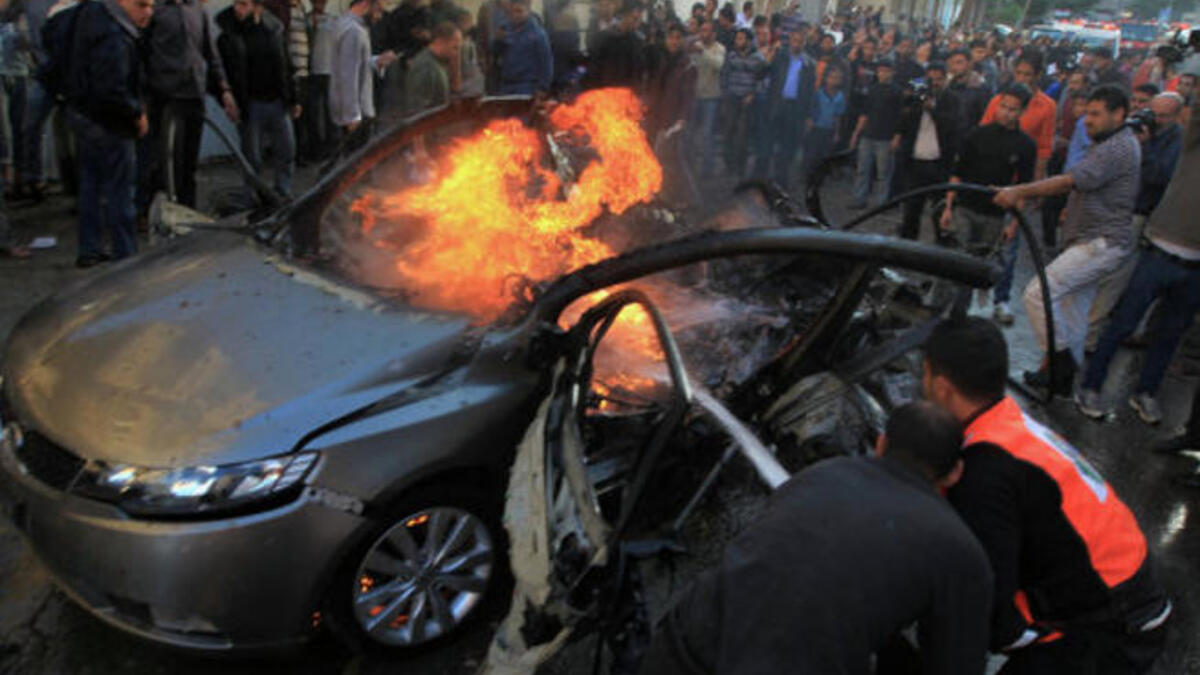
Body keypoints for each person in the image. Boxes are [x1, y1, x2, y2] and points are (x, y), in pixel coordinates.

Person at [639, 401, 993, 675]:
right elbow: (955, 664)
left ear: (882, 444)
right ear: (954, 472)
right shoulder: (959, 548)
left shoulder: (822, 474)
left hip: (684, 647)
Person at [924, 318, 1171, 674]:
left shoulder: (982, 471)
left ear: (943, 386)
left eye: (925, 374)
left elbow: (988, 597)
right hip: (1130, 590)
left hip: (1112, 623)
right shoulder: (1008, 424)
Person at [994, 85, 1141, 397]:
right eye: (1087, 113)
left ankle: (1061, 365)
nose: (1087, 120)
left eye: (1096, 114)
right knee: (1074, 312)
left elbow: (1071, 181)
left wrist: (1020, 191)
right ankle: (1059, 378)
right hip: (1089, 237)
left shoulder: (1117, 147)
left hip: (1100, 242)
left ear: (1119, 114)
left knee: (1037, 294)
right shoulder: (1109, 143)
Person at [1076, 92, 1195, 425]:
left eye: (1162, 116)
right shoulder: (1191, 146)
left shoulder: (1177, 142)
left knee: (1170, 334)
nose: (1153, 120)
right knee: (1123, 323)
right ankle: (1091, 385)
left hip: (1194, 266)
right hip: (1159, 252)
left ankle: (1146, 392)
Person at [67, 0, 154, 267]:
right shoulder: (114, 34)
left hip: (84, 116)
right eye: (143, 5)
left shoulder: (90, 14)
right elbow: (112, 88)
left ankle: (89, 248)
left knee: (91, 186)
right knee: (120, 192)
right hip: (110, 124)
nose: (148, 13)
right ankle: (126, 257)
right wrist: (136, 114)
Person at [940, 83, 1036, 324]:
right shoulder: (976, 134)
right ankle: (944, 310)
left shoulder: (1025, 146)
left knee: (979, 265)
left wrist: (1013, 225)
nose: (1006, 113)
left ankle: (962, 313)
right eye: (1003, 106)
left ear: (1022, 112)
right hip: (965, 208)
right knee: (955, 261)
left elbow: (1022, 188)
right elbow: (956, 172)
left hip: (994, 215)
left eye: (1013, 109)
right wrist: (949, 207)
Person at [140, 0, 238, 212]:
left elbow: (210, 54)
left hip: (193, 94)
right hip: (165, 96)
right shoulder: (156, 10)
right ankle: (160, 211)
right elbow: (141, 53)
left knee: (189, 163)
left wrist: (224, 90)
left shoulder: (197, 10)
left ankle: (187, 212)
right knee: (165, 161)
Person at [216, 0, 301, 200]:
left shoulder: (274, 30)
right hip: (251, 104)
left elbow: (287, 65)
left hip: (277, 102)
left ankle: (283, 191)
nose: (238, 8)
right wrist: (228, 99)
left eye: (244, 4)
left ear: (257, 7)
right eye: (236, 3)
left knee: (286, 150)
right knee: (252, 156)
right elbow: (223, 71)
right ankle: (252, 195)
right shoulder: (229, 35)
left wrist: (294, 98)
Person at [896, 60, 960, 240]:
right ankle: (907, 245)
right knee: (911, 209)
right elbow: (903, 124)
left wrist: (933, 110)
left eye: (938, 80)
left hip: (939, 164)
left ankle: (941, 244)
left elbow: (952, 127)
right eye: (930, 80)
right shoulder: (917, 97)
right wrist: (909, 102)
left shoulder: (951, 99)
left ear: (945, 79)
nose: (934, 84)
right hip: (915, 162)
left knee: (939, 209)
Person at [329, 0, 398, 150]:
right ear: (366, 4)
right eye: (378, 11)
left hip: (354, 110)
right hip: (358, 112)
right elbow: (348, 75)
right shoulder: (353, 31)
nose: (379, 17)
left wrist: (377, 61)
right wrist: (352, 116)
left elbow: (356, 64)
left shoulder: (347, 25)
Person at [645, 21, 697, 207]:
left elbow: (688, 96)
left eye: (678, 38)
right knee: (672, 159)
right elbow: (654, 87)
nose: (674, 42)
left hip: (673, 120)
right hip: (657, 117)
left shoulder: (687, 65)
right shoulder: (662, 60)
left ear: (683, 41)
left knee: (669, 159)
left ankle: (683, 198)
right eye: (671, 38)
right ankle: (683, 196)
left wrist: (682, 119)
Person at [756, 28, 813, 188]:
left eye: (800, 41)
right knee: (766, 145)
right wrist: (768, 58)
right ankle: (758, 179)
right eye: (794, 41)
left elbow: (809, 91)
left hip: (794, 109)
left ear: (804, 43)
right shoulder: (780, 57)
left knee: (787, 148)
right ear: (790, 41)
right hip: (775, 105)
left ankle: (780, 183)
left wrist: (808, 115)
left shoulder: (808, 64)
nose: (797, 44)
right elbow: (760, 74)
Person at [848, 59, 901, 209]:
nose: (882, 74)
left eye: (886, 70)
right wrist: (856, 133)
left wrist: (897, 137)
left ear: (892, 72)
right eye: (880, 71)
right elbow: (864, 113)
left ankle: (881, 203)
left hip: (886, 137)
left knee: (883, 174)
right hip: (868, 135)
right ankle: (859, 199)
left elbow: (900, 117)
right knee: (862, 169)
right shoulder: (873, 90)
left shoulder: (897, 92)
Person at [718, 27, 764, 180]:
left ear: (749, 41)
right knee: (728, 134)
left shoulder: (758, 58)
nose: (738, 41)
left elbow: (762, 79)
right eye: (737, 38)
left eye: (741, 38)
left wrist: (753, 93)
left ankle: (740, 171)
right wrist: (725, 94)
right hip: (732, 99)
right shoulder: (731, 55)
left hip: (747, 101)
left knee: (742, 138)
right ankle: (728, 167)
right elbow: (724, 75)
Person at [688, 17, 724, 178]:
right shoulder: (694, 46)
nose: (703, 34)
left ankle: (707, 169)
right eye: (702, 30)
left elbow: (719, 64)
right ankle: (690, 164)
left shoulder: (719, 48)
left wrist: (703, 52)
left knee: (707, 134)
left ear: (714, 34)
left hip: (711, 98)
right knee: (690, 132)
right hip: (694, 96)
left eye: (707, 31)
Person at [491, 0, 551, 95]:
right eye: (512, 12)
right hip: (505, 86)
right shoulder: (504, 30)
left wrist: (542, 88)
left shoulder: (538, 34)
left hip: (527, 87)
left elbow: (546, 63)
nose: (515, 15)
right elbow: (495, 54)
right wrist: (498, 41)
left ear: (528, 11)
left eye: (519, 11)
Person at [586, 0, 647, 91]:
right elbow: (595, 69)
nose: (637, 23)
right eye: (634, 19)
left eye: (639, 20)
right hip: (605, 92)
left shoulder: (637, 41)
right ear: (625, 16)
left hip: (626, 94)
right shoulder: (602, 38)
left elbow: (637, 72)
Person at [403, 21, 461, 115]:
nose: (457, 53)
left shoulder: (438, 63)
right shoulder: (425, 67)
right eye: (454, 48)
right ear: (440, 42)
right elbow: (417, 109)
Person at [305, 0, 338, 162]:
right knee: (312, 112)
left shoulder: (333, 20)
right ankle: (314, 149)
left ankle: (331, 148)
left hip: (330, 70)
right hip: (312, 71)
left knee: (330, 112)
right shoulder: (306, 19)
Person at [801, 63, 844, 180]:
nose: (835, 80)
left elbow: (838, 116)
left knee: (824, 154)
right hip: (816, 127)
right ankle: (806, 175)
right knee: (811, 153)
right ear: (826, 78)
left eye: (838, 78)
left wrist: (836, 132)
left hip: (828, 128)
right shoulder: (818, 93)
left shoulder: (840, 96)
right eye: (832, 77)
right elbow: (810, 110)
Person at [947, 47, 988, 128]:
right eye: (952, 63)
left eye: (959, 62)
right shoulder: (949, 86)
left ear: (970, 64)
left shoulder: (980, 88)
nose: (955, 67)